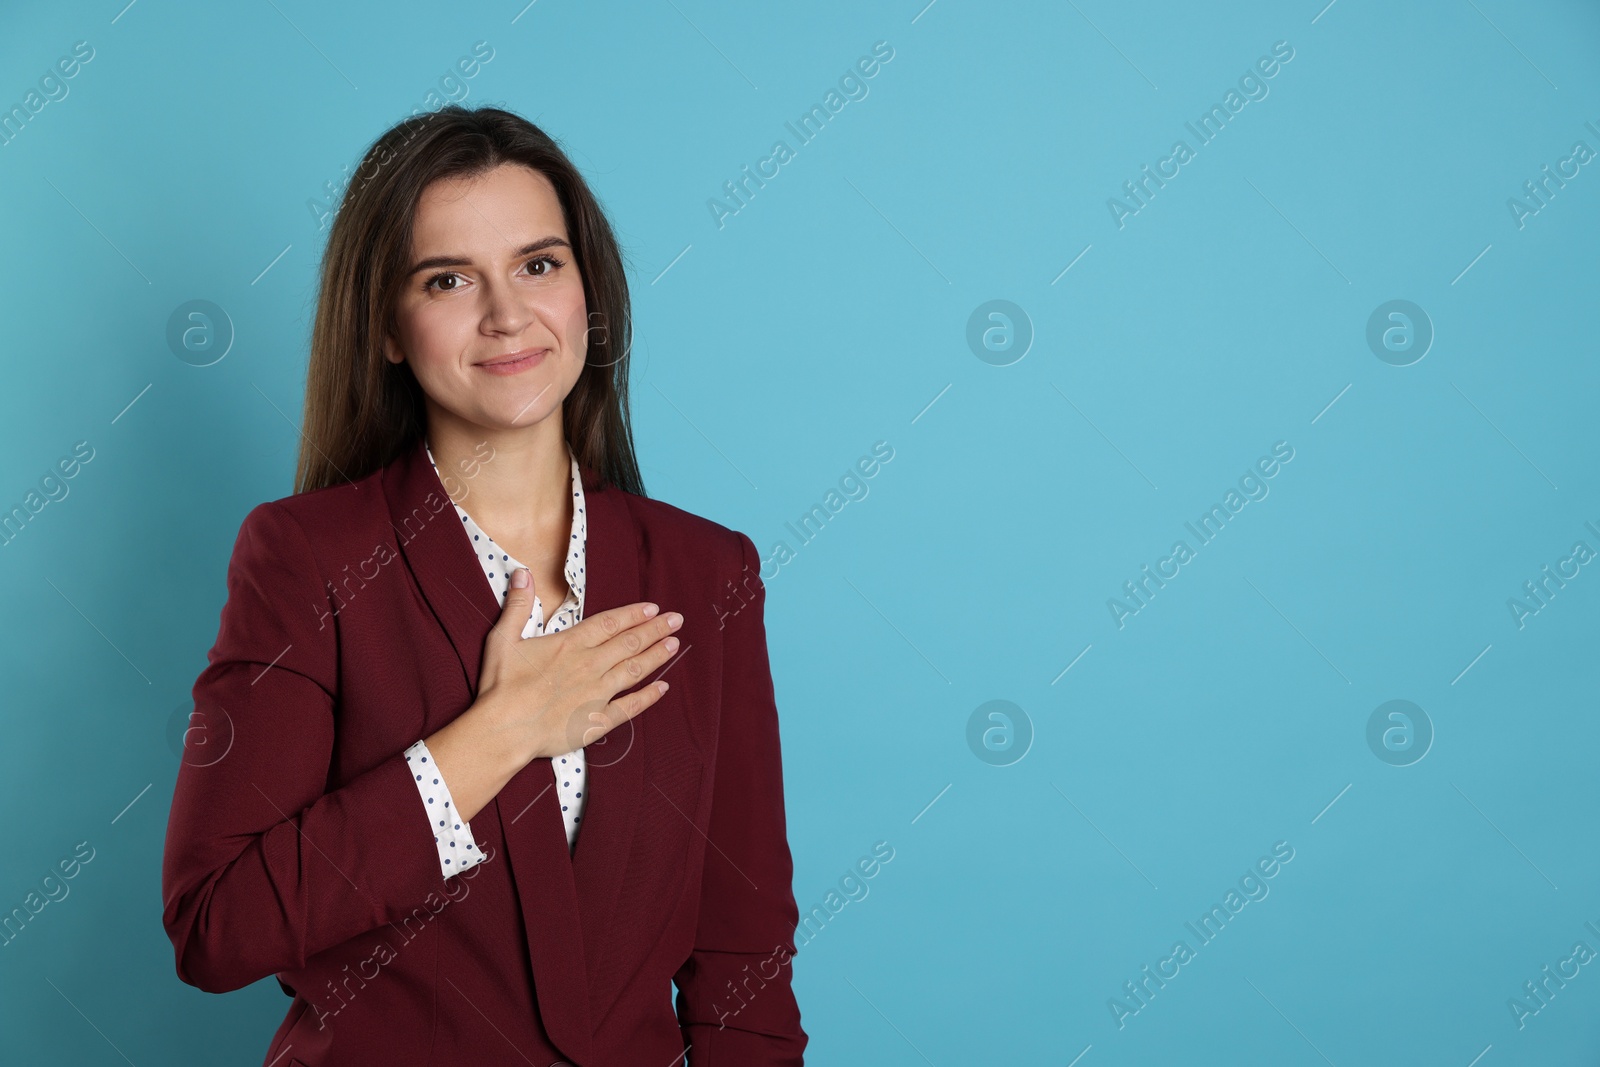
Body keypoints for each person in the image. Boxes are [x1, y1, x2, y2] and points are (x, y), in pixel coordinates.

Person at [161, 104, 807, 1067]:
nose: (507, 314)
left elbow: (744, 963)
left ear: (588, 293)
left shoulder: (708, 574)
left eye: (538, 264)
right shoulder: (306, 559)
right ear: (386, 325)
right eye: (448, 278)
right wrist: (500, 734)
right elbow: (217, 926)